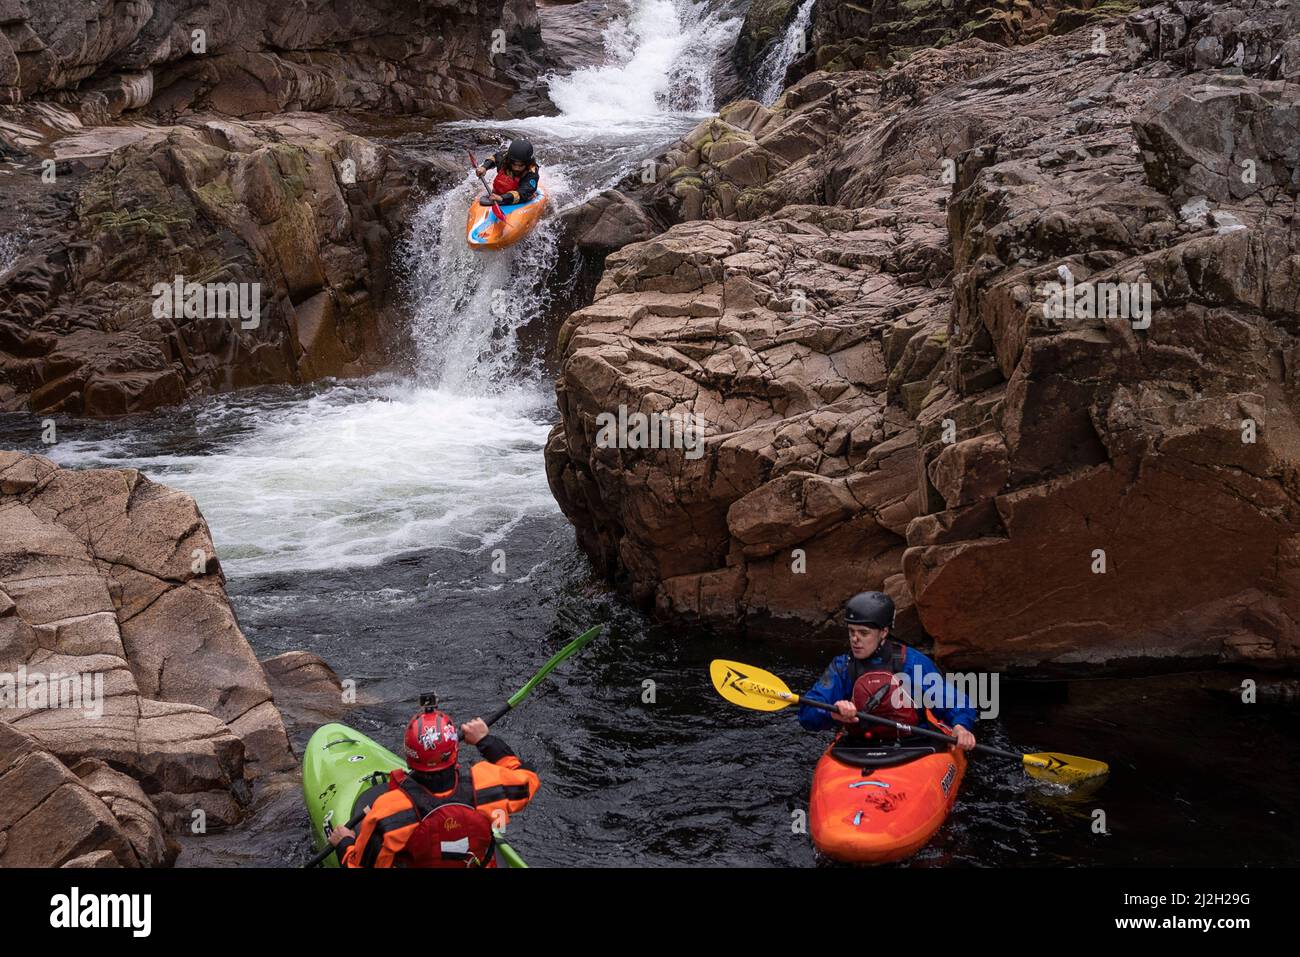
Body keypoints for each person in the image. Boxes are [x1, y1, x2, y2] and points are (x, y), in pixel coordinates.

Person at [328, 702, 539, 867]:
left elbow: (358, 865)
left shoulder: (389, 811)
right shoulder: (488, 787)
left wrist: (344, 844)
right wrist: (485, 740)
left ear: (409, 755)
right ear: (454, 751)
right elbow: (527, 776)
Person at [799, 591, 978, 750]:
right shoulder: (842, 667)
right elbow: (807, 713)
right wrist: (832, 713)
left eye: (863, 633)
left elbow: (955, 702)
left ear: (883, 632)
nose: (855, 639)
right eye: (851, 631)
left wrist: (961, 726)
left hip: (914, 744)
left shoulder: (912, 663)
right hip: (859, 746)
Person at [475, 138, 540, 206]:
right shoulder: (505, 158)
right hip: (499, 194)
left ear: (527, 163)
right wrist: (484, 167)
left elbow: (524, 192)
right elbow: (494, 158)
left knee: (526, 193)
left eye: (521, 166)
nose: (516, 168)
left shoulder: (532, 173)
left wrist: (502, 198)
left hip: (519, 197)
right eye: (514, 164)